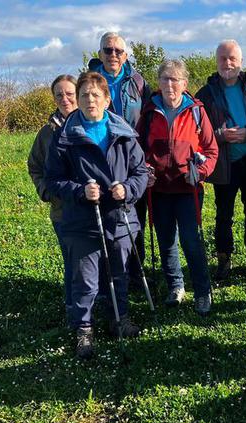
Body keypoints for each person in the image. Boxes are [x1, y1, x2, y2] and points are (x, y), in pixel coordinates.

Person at [45, 71, 148, 359]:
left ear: (106, 99)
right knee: (85, 280)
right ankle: (84, 330)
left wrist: (126, 189)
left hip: (119, 217)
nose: (89, 100)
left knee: (119, 273)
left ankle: (120, 319)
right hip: (82, 221)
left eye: (95, 95)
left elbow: (140, 171)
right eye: (83, 95)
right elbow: (52, 179)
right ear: (77, 100)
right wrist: (80, 190)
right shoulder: (65, 136)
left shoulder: (124, 133)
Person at [137, 60, 218, 315]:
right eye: (164, 79)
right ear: (158, 82)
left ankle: (203, 291)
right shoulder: (149, 112)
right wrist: (143, 173)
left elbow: (211, 150)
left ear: (184, 84)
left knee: (191, 241)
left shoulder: (196, 111)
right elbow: (137, 151)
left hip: (188, 189)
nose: (169, 84)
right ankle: (176, 285)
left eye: (175, 79)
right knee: (166, 240)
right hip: (158, 189)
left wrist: (200, 172)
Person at [195, 39, 246, 280]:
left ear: (240, 62)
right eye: (222, 58)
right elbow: (198, 130)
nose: (227, 63)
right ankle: (224, 258)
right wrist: (221, 136)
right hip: (223, 165)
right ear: (216, 61)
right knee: (224, 214)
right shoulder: (206, 94)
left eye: (232, 59)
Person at [88, 32, 151, 284]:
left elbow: (147, 119)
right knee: (105, 219)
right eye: (108, 50)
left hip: (133, 159)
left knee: (137, 217)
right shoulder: (90, 81)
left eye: (118, 51)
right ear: (100, 53)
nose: (113, 54)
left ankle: (136, 271)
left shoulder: (138, 81)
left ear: (125, 55)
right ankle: (108, 276)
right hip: (100, 158)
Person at [27, 74, 78, 315]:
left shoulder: (92, 124)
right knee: (71, 262)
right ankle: (72, 310)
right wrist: (45, 190)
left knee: (94, 261)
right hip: (62, 210)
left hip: (90, 206)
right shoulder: (47, 133)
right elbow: (35, 166)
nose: (65, 99)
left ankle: (98, 304)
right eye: (59, 94)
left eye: (70, 93)